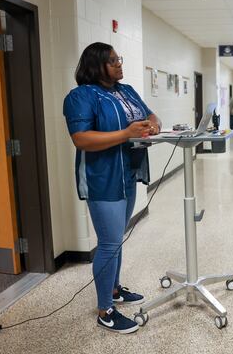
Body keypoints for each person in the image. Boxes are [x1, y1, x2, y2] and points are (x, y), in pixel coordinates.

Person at [63, 42, 162, 334]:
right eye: (112, 61)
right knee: (108, 244)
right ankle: (105, 309)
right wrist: (126, 134)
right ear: (96, 65)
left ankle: (115, 290)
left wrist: (153, 125)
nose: (119, 64)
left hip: (128, 174)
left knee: (117, 239)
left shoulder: (126, 90)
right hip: (103, 178)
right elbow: (80, 138)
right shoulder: (82, 96)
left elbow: (151, 115)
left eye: (119, 59)